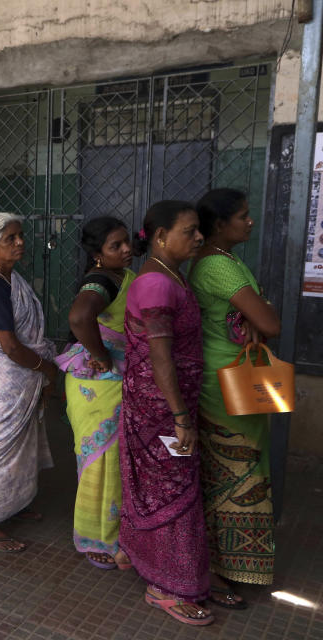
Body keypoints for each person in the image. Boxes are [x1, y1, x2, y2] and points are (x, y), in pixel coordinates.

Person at [119, 200, 212, 626]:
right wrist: (179, 416)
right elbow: (161, 358)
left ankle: (136, 550)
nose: (198, 238)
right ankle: (167, 588)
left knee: (154, 485)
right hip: (161, 410)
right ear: (160, 236)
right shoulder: (156, 284)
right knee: (174, 491)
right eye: (189, 231)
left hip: (163, 404)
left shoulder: (169, 275)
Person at [189, 189, 280, 606]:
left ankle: (232, 562)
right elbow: (269, 322)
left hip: (238, 373)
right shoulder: (217, 267)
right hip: (227, 382)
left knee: (237, 469)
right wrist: (261, 314)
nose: (250, 222)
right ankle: (217, 567)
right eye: (242, 216)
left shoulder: (225, 260)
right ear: (220, 225)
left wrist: (256, 315)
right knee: (231, 472)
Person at [0, 212, 57, 553]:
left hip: (19, 378)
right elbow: (9, 346)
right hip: (4, 383)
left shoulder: (10, 279)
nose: (20, 243)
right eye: (11, 239)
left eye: (20, 236)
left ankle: (13, 505)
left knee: (22, 444)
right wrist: (45, 368)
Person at [57, 217, 135, 570]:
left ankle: (118, 531)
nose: (126, 249)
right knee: (100, 460)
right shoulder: (100, 280)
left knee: (116, 459)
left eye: (127, 242)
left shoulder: (120, 276)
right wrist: (102, 355)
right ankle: (95, 537)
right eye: (115, 246)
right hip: (97, 384)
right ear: (97, 255)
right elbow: (79, 317)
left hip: (114, 380)